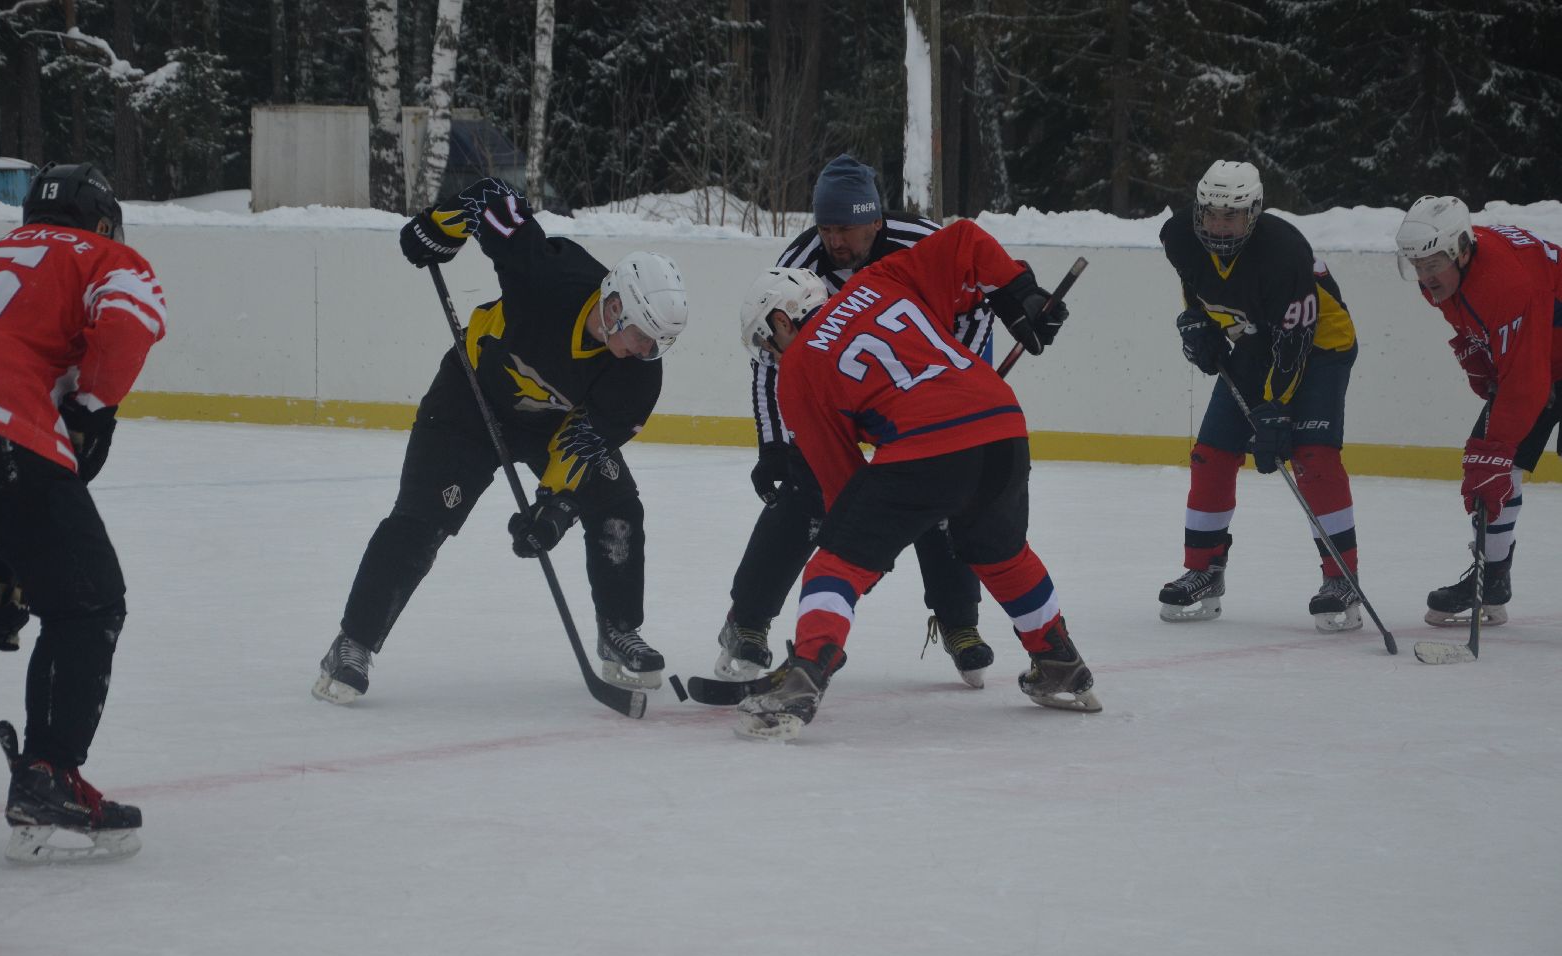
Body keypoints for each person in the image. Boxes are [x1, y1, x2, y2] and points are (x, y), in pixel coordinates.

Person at [313, 177, 687, 703]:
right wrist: (438, 228)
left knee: (617, 506)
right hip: (469, 399)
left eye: (658, 343)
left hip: (550, 425)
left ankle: (618, 630)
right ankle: (352, 643)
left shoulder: (638, 375)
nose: (647, 351)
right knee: (422, 520)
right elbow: (492, 197)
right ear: (615, 306)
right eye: (643, 335)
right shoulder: (548, 278)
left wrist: (553, 510)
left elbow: (584, 442)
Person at [731, 218, 1099, 742]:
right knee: (1001, 552)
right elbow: (965, 239)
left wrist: (863, 559)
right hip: (1002, 425)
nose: (774, 356)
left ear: (780, 319)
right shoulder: (879, 280)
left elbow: (842, 485)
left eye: (769, 344)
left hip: (928, 444)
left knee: (834, 561)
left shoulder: (797, 371)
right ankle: (1059, 661)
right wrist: (1018, 291)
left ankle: (805, 676)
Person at [0, 161, 165, 861]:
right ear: (101, 221)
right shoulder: (105, 256)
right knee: (89, 602)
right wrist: (93, 408)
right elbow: (129, 320)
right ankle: (49, 774)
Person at [716, 154, 999, 688]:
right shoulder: (802, 261)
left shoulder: (920, 241)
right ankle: (747, 620)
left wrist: (950, 375)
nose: (833, 241)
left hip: (924, 393)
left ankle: (960, 621)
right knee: (805, 494)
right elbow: (769, 361)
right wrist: (773, 445)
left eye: (844, 229)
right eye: (825, 228)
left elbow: (979, 303)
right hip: (843, 398)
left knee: (942, 493)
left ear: (875, 221)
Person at [1155, 160, 1364, 631]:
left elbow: (1295, 342)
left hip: (1321, 347)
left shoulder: (1284, 252)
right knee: (1210, 454)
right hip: (1257, 342)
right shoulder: (1179, 236)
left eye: (1231, 216)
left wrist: (1276, 409)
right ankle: (1204, 570)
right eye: (1211, 214)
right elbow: (1197, 286)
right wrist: (1201, 325)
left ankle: (1341, 577)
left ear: (1253, 213)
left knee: (1312, 457)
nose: (1218, 226)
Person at [1394, 195, 1562, 626]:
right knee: (1493, 466)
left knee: (1492, 460)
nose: (1424, 276)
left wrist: (1496, 450)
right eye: (1417, 265)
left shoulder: (1505, 284)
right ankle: (1493, 579)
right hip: (1542, 353)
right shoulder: (1447, 272)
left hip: (1541, 359)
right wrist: (1476, 349)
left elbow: (1526, 383)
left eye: (1433, 265)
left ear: (1462, 250)